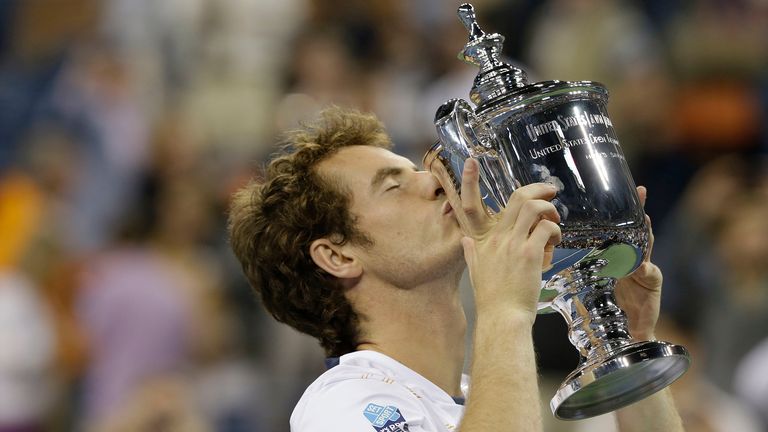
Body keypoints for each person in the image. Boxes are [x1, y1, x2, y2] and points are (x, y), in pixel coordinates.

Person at [228, 107, 685, 431]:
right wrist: (505, 307)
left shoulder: (485, 393)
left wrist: (628, 341)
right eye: (393, 187)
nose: (433, 181)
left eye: (416, 170)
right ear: (339, 256)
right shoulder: (344, 406)